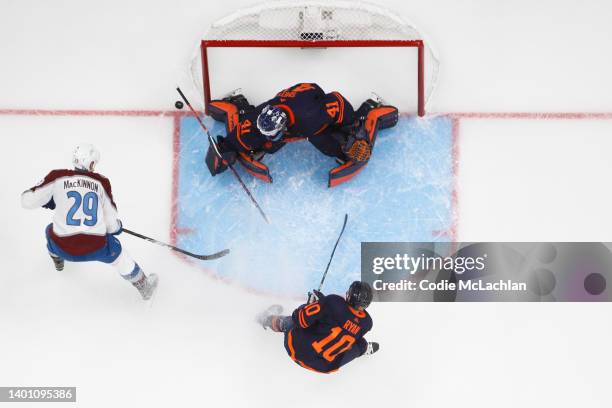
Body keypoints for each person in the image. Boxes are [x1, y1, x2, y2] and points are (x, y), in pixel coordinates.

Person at [20, 143, 158, 300]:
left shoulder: (57, 177)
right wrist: (116, 227)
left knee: (49, 231)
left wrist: (47, 199)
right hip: (95, 246)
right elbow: (111, 224)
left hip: (63, 247)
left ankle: (58, 260)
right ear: (91, 164)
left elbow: (27, 201)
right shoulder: (101, 182)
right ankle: (145, 287)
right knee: (120, 256)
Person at [205, 83, 399, 187]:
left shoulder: (313, 117)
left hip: (310, 97)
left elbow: (337, 101)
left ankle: (370, 107)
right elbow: (239, 136)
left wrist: (354, 129)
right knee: (267, 145)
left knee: (332, 147)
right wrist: (225, 151)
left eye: (273, 134)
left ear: (283, 127)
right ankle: (238, 103)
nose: (268, 137)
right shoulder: (260, 117)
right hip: (288, 99)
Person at [257, 281, 379, 373]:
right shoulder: (367, 323)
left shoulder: (333, 302)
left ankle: (267, 319)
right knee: (360, 343)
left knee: (295, 322)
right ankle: (364, 350)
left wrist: (311, 305)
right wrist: (323, 303)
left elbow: (299, 320)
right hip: (324, 366)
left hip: (297, 350)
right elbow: (343, 319)